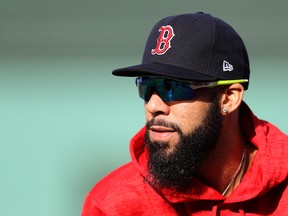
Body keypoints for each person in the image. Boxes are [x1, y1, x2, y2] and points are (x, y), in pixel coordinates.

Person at [82, 12, 288, 215]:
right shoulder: (112, 204)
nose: (153, 105)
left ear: (229, 97)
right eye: (146, 87)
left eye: (174, 87)